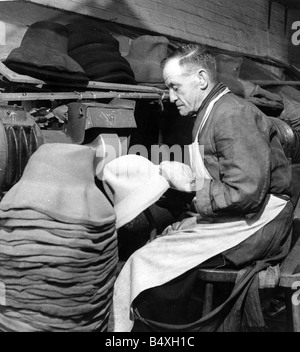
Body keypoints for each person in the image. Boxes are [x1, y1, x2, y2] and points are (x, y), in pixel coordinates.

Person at [111, 44, 294, 332]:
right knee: (158, 250)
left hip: (260, 224)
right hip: (241, 215)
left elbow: (246, 192)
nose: (171, 97)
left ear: (201, 79)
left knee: (152, 263)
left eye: (175, 87)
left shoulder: (233, 115)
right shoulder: (210, 113)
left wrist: (193, 184)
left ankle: (157, 331)